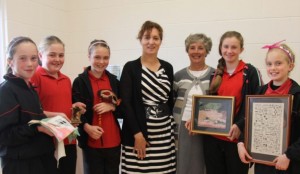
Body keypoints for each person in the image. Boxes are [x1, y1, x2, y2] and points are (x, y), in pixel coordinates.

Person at [120, 20, 176, 173]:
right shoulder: (130, 67)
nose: (151, 42)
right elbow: (126, 104)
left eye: (156, 38)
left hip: (164, 135)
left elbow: (170, 101)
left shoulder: (168, 67)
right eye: (147, 37)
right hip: (139, 134)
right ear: (141, 40)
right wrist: (138, 135)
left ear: (160, 41)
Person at [237, 41, 300, 174]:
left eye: (278, 63)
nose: (273, 68)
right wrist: (241, 143)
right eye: (269, 64)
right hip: (263, 162)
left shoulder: (297, 95)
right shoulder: (260, 92)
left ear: (291, 66)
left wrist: (289, 155)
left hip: (288, 164)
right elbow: (250, 122)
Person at [205, 31, 262, 174]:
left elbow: (257, 105)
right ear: (220, 48)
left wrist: (240, 124)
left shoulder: (250, 72)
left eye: (234, 47)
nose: (229, 51)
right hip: (213, 139)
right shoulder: (214, 73)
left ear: (241, 49)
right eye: (226, 47)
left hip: (237, 141)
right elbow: (209, 105)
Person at [0, 36, 58, 174]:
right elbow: (4, 136)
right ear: (10, 62)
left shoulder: (29, 87)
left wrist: (54, 122)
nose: (30, 64)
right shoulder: (6, 91)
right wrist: (37, 128)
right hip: (21, 164)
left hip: (42, 158)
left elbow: (33, 118)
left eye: (33, 58)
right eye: (23, 58)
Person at [30, 35, 86, 174]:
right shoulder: (34, 77)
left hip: (69, 140)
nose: (57, 59)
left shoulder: (66, 79)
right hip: (48, 142)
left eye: (61, 55)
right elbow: (32, 112)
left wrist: (75, 111)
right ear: (41, 55)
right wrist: (58, 115)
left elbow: (65, 109)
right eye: (52, 55)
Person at [72, 39, 121, 174]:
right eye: (97, 57)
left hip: (114, 141)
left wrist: (112, 107)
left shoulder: (114, 81)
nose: (101, 62)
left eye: (106, 58)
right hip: (91, 142)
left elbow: (123, 107)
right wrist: (86, 127)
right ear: (89, 56)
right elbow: (75, 114)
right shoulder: (79, 82)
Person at [173, 33, 214, 174]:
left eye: (200, 48)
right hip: (182, 127)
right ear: (187, 50)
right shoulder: (178, 76)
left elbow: (218, 105)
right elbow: (171, 100)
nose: (196, 51)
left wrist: (198, 119)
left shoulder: (215, 75)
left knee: (203, 164)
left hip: (206, 129)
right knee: (182, 164)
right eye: (192, 48)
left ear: (207, 51)